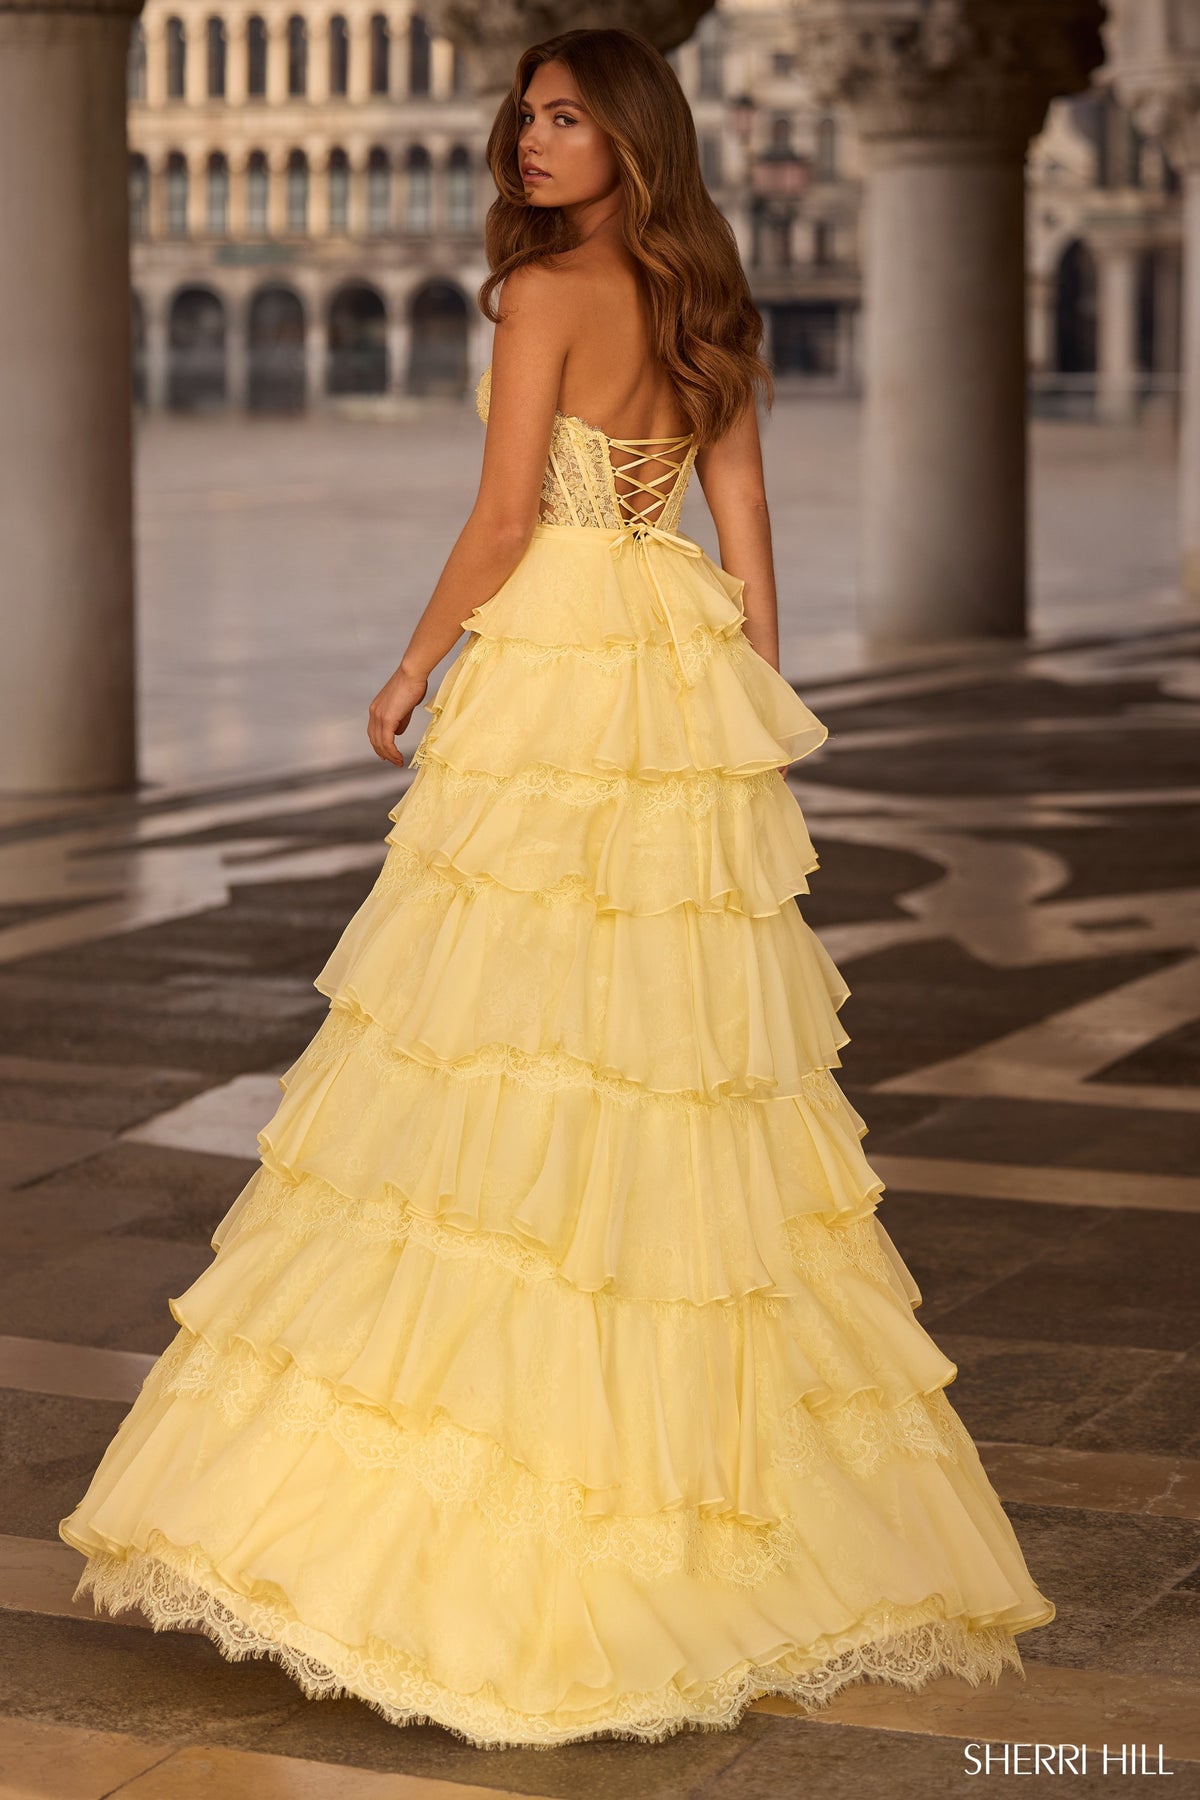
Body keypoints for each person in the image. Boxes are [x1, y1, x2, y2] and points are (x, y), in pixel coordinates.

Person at [60, 26, 1055, 1749]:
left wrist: (411, 663)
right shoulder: (707, 292)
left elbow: (508, 519)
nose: (532, 142)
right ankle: (719, 1496)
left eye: (568, 116)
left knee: (496, 1045)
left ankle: (485, 1490)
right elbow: (746, 529)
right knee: (676, 1059)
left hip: (557, 662)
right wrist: (737, 695)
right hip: (671, 661)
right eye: (526, 118)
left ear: (630, 133)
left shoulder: (537, 298)